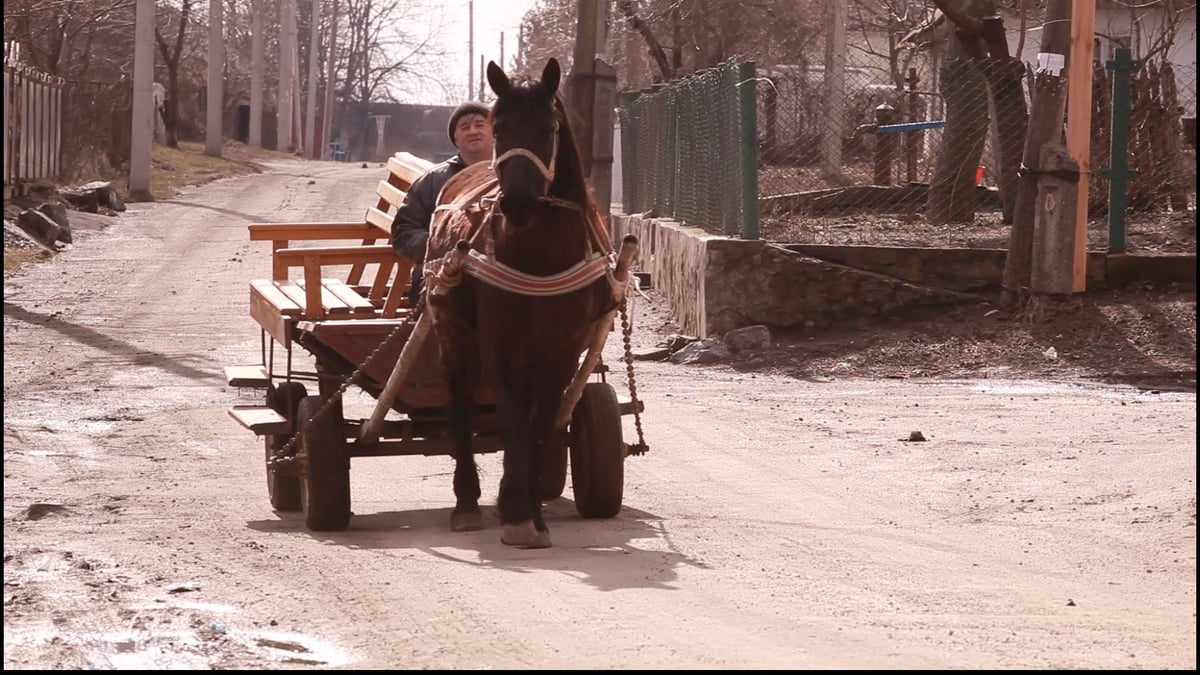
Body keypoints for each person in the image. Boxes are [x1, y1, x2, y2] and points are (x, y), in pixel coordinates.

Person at [391, 101, 494, 303]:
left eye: (480, 125)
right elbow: (404, 230)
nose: (473, 131)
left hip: (499, 269)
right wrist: (441, 249)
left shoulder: (512, 176)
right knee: (424, 277)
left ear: (495, 131)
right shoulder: (434, 180)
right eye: (465, 127)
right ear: (455, 138)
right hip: (445, 269)